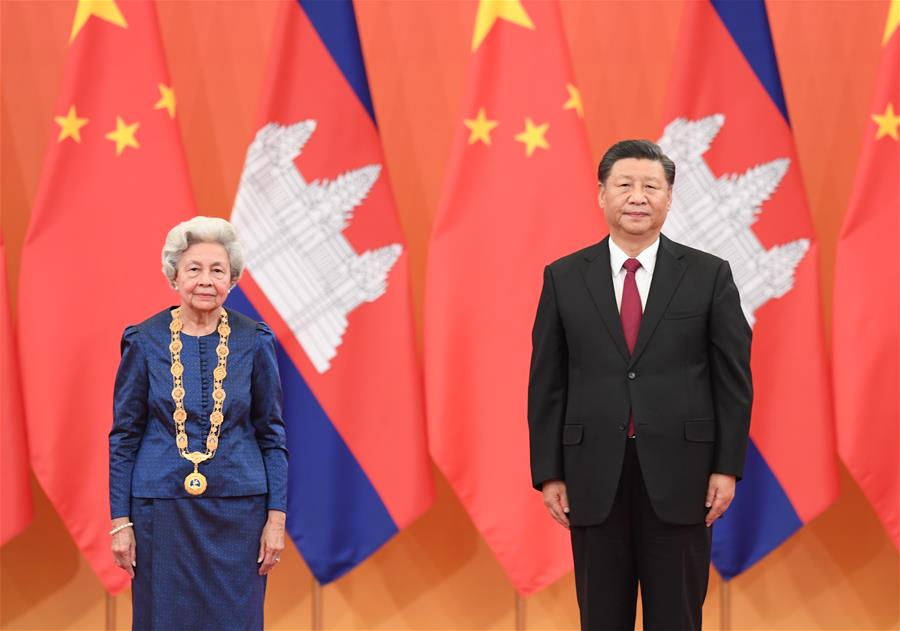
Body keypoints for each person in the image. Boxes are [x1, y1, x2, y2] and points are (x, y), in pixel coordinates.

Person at [528, 140, 752, 630]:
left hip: (684, 474)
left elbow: (733, 380)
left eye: (651, 186)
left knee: (677, 616)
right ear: (602, 196)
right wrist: (549, 471)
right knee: (601, 617)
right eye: (624, 185)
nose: (637, 196)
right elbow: (547, 382)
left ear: (669, 198)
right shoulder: (564, 277)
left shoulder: (709, 275)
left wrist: (726, 467)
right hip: (591, 474)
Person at [109, 216, 289, 630]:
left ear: (234, 279)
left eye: (217, 270)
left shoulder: (255, 340)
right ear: (174, 275)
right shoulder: (144, 339)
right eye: (194, 269)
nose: (206, 280)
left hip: (240, 515)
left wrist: (275, 518)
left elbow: (272, 435)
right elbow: (124, 437)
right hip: (161, 515)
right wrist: (121, 522)